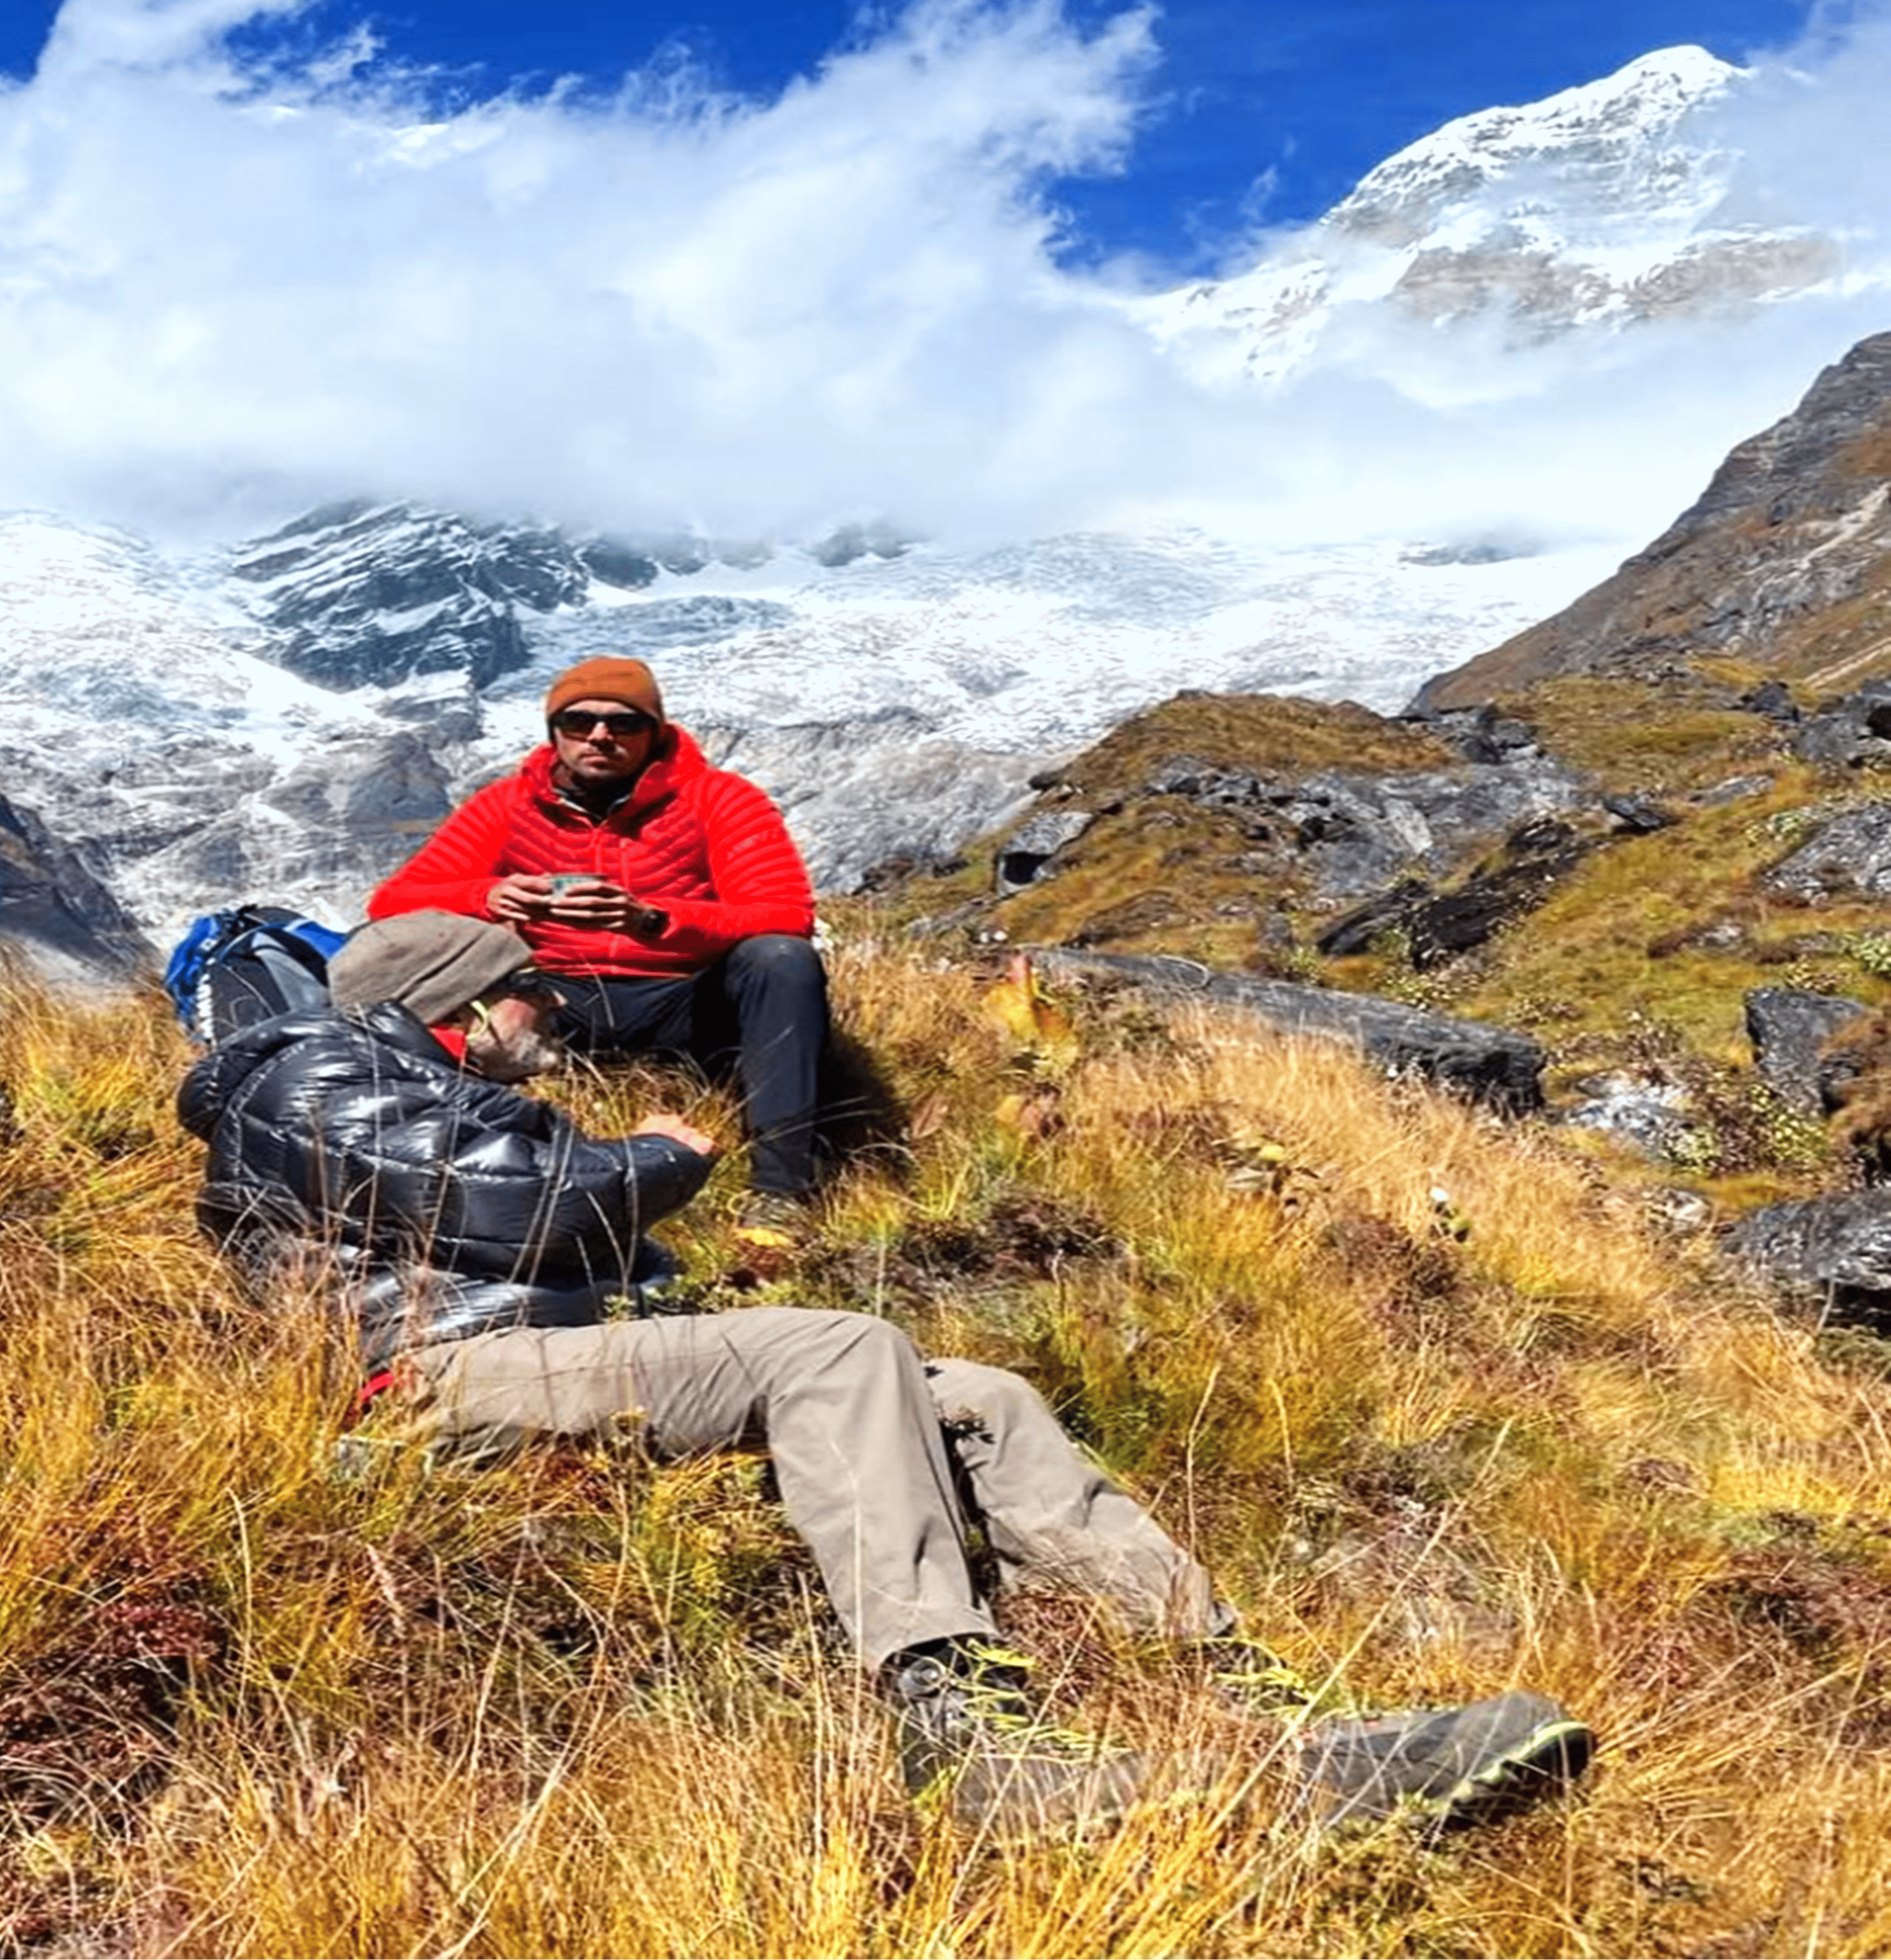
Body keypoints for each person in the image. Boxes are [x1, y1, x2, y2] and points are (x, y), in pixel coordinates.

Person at [176, 912, 1595, 1837]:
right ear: (455, 1003)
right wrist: (662, 1159)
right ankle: (958, 1725)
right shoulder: (303, 1068)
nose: (543, 1008)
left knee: (973, 1394)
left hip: (544, 1354)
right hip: (442, 1373)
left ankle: (1232, 1680)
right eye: (521, 991)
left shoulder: (389, 1079)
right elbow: (513, 1214)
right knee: (840, 1343)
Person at [368, 655, 865, 1227]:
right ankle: (429, 1169)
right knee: (385, 957)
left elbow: (784, 914)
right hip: (552, 1000)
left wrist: (652, 920)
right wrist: (488, 896)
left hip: (683, 999)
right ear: (554, 732)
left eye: (623, 723)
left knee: (780, 960)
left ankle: (781, 1191)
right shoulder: (505, 805)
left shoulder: (719, 799)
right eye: (578, 722)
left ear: (655, 732)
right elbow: (392, 904)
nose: (599, 736)